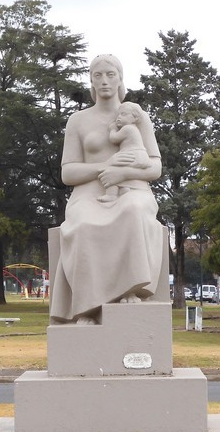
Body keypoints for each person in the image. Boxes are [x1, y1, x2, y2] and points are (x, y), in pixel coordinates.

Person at [50, 54, 164, 325]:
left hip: (132, 188)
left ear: (120, 79)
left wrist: (123, 173)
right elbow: (68, 172)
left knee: (133, 211)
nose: (104, 81)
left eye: (110, 74)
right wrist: (105, 167)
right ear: (90, 80)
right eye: (98, 75)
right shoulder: (78, 120)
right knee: (83, 225)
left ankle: (129, 290)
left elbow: (155, 167)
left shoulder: (137, 115)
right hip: (88, 194)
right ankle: (88, 308)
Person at [98, 101, 151, 203]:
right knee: (121, 170)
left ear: (134, 118)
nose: (119, 117)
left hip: (132, 155)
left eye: (123, 114)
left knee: (112, 170)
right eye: (118, 115)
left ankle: (111, 195)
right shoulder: (134, 129)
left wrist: (112, 129)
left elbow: (114, 139)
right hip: (140, 155)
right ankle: (124, 188)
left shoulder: (127, 128)